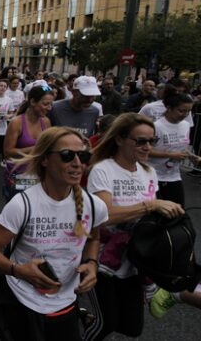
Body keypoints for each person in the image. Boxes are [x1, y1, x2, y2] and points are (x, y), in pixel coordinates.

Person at [0, 127, 108, 341]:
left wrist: (92, 263)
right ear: (46, 160)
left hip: (66, 301)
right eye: (67, 155)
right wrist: (18, 270)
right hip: (23, 301)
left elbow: (93, 237)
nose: (78, 163)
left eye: (83, 156)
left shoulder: (94, 206)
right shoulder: (23, 205)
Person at [83, 113, 185, 341]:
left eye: (152, 141)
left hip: (135, 260)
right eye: (140, 141)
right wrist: (151, 206)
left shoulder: (148, 172)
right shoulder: (102, 170)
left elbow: (151, 215)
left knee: (132, 327)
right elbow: (104, 215)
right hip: (101, 259)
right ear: (119, 139)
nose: (148, 146)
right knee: (105, 324)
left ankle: (80, 317)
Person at [2, 85, 54, 201]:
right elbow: (8, 152)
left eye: (51, 104)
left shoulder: (46, 122)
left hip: (39, 176)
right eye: (45, 104)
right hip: (19, 175)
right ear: (33, 101)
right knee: (18, 212)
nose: (49, 108)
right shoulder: (17, 123)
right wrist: (37, 148)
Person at [148, 89, 197, 206]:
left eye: (188, 112)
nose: (185, 115)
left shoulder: (185, 125)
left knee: (178, 211)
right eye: (181, 111)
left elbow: (181, 146)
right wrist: (170, 155)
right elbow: (146, 150)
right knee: (154, 214)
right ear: (169, 108)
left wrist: (190, 156)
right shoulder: (156, 127)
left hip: (174, 176)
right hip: (153, 175)